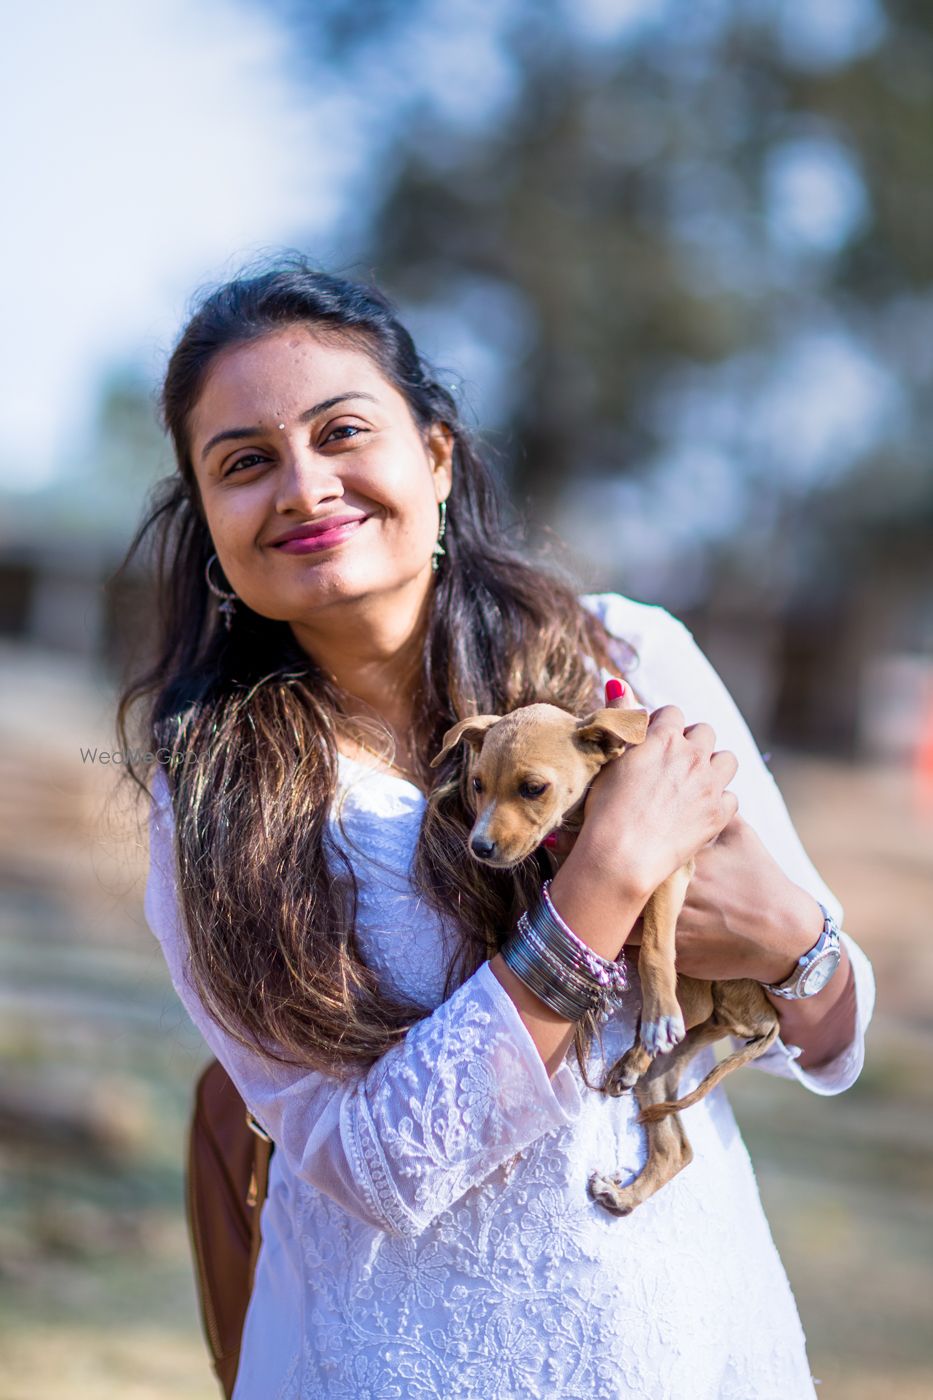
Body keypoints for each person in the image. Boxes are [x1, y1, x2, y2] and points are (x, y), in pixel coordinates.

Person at [119, 255, 875, 1399]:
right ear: (209, 521)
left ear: (434, 453)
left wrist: (791, 936)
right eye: (244, 463)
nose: (305, 485)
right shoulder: (216, 804)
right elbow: (370, 1164)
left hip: (690, 1346)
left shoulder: (626, 660)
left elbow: (837, 1026)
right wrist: (599, 892)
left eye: (342, 432)